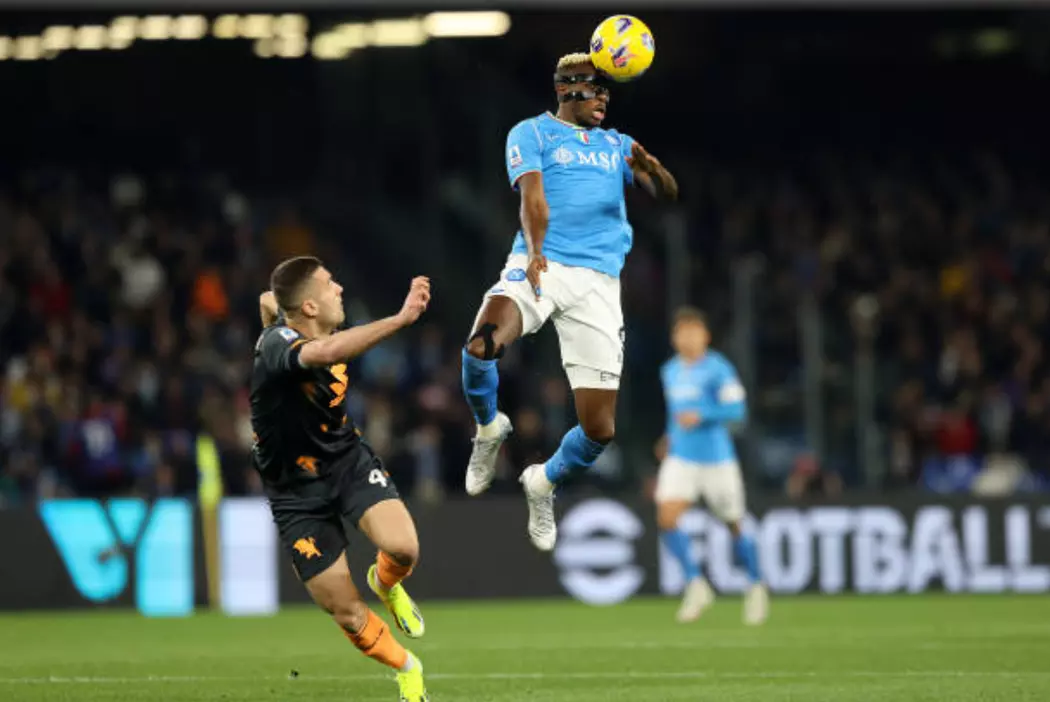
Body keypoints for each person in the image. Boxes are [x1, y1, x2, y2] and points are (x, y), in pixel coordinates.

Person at [460, 52, 679, 551]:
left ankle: (543, 482)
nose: (603, 98)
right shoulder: (531, 133)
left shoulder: (617, 144)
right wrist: (536, 251)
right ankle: (489, 428)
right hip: (541, 263)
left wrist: (652, 168)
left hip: (599, 282)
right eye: (594, 89)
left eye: (607, 91)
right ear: (566, 90)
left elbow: (667, 193)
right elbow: (532, 198)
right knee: (480, 346)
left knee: (599, 429)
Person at [251, 256, 431, 701]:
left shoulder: (301, 319)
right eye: (330, 285)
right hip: (295, 492)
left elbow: (268, 298)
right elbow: (324, 353)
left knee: (404, 548)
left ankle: (384, 583)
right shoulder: (277, 347)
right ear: (310, 308)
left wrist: (276, 306)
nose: (340, 289)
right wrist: (401, 319)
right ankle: (408, 668)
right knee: (346, 612)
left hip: (345, 459)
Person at [655, 307, 768, 625]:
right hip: (682, 458)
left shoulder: (719, 369)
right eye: (682, 332)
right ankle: (696, 584)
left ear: (706, 336)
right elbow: (675, 413)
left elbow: (737, 411)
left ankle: (756, 585)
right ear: (674, 338)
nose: (688, 338)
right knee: (666, 517)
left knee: (733, 523)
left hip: (717, 460)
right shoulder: (670, 370)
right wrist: (668, 436)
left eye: (694, 332)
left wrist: (703, 415)